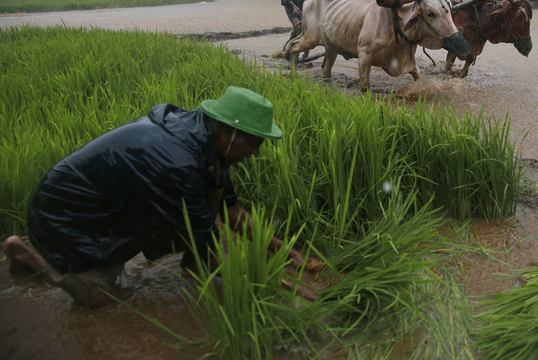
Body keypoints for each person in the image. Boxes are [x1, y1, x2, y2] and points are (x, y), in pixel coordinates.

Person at [3, 86, 322, 308]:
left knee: (195, 220)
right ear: (227, 131)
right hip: (62, 218)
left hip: (105, 209)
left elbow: (231, 211)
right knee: (109, 304)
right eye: (253, 142)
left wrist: (288, 253)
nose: (255, 152)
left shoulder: (206, 141)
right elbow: (209, 248)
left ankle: (25, 252)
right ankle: (36, 259)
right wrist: (270, 280)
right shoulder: (179, 162)